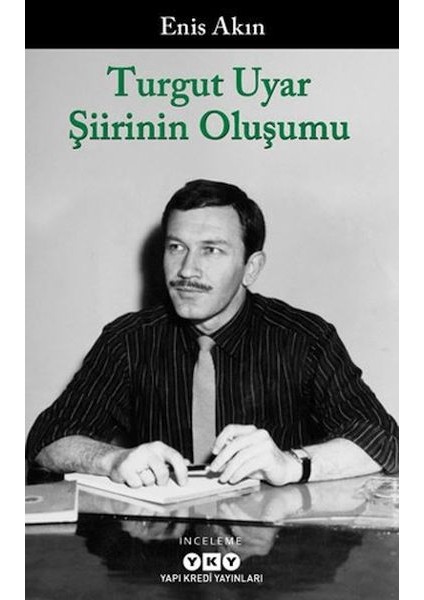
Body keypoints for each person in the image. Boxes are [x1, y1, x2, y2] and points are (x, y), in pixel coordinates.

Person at [26, 179, 398, 488]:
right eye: (176, 247)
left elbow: (384, 439)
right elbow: (46, 439)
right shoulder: (127, 340)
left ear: (251, 268)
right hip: (161, 547)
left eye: (212, 250)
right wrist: (112, 460)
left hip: (276, 546)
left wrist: (290, 464)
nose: (187, 269)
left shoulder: (305, 339)